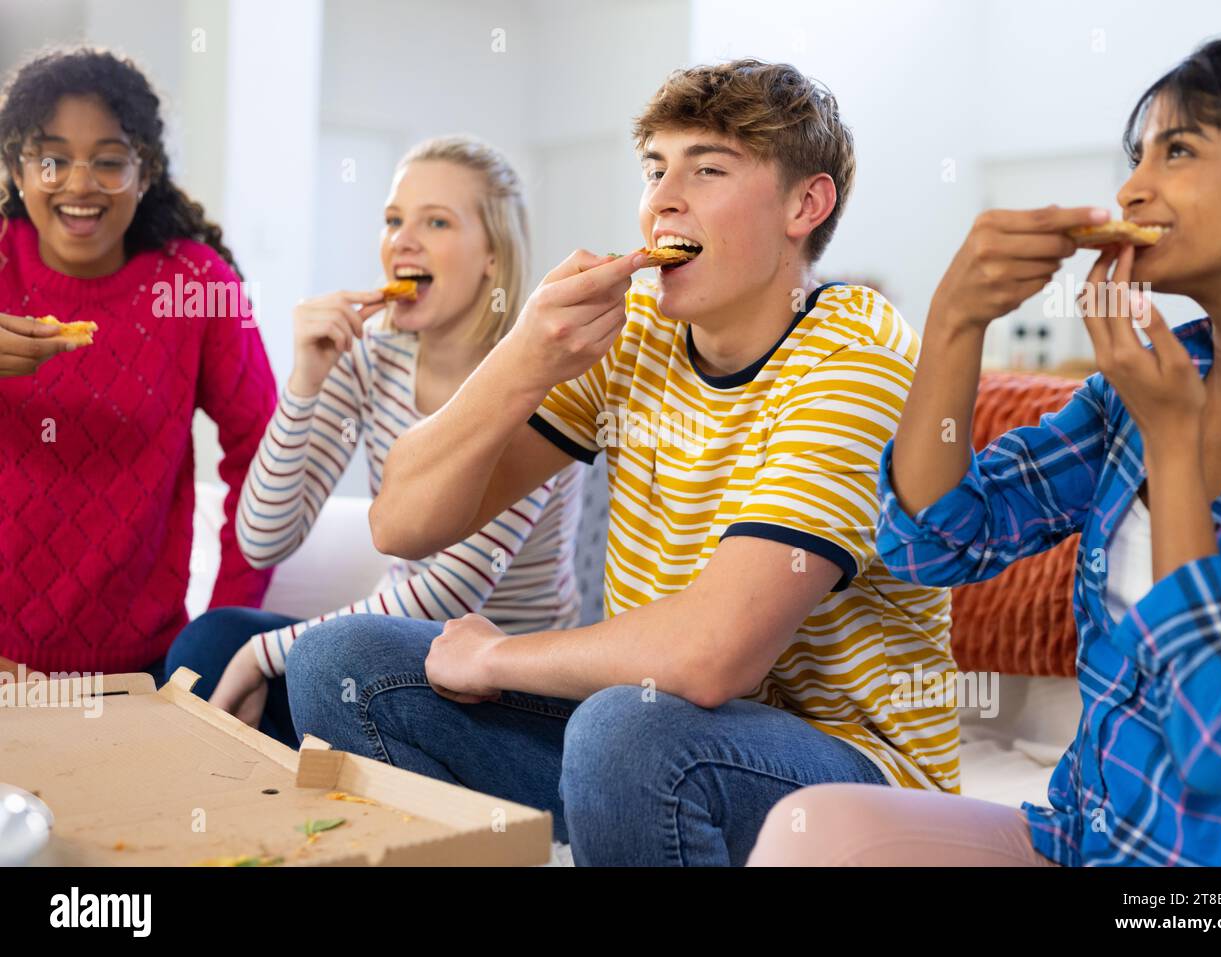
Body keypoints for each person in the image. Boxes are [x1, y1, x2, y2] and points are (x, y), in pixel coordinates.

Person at [288, 60, 955, 865]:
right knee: (342, 662)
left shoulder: (860, 357)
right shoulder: (638, 327)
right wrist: (523, 354)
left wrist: (495, 657)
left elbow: (711, 656)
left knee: (627, 729)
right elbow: (402, 522)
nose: (663, 199)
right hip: (652, 726)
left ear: (805, 205)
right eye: (654, 168)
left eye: (707, 169)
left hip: (849, 775)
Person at [749, 8, 1221, 867]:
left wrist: (1172, 446)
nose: (1132, 192)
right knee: (814, 833)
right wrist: (955, 321)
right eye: (1137, 158)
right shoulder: (1146, 383)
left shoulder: (1155, 404)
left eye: (1179, 152)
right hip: (1086, 841)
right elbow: (932, 540)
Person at [166, 136, 584, 748]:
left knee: (282, 657)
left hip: (504, 683)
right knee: (214, 640)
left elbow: (450, 592)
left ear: (492, 254)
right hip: (392, 652)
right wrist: (306, 381)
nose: (402, 241)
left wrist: (265, 654)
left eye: (436, 221)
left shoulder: (538, 377)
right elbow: (261, 539)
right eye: (393, 220)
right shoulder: (371, 361)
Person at [0, 47, 274, 680]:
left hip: (143, 674)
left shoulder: (194, 284)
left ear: (145, 171)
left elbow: (265, 459)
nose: (78, 183)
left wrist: (224, 630)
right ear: (17, 168)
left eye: (109, 161)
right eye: (50, 159)